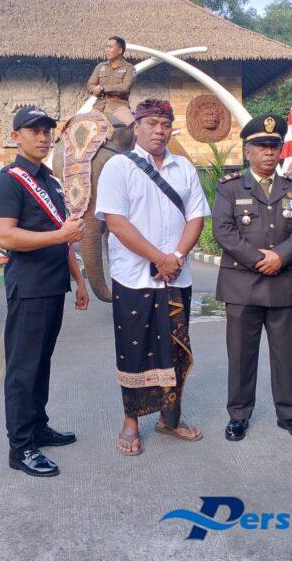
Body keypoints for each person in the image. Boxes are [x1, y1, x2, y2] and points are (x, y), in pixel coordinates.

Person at [95, 98, 210, 456]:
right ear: (137, 127)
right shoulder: (118, 167)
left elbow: (196, 217)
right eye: (152, 123)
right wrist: (160, 258)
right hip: (134, 279)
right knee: (134, 351)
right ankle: (131, 421)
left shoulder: (184, 168)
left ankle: (169, 418)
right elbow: (116, 223)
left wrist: (176, 258)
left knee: (174, 350)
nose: (159, 131)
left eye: (165, 124)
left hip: (176, 277)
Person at [0, 105, 89, 477]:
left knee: (41, 363)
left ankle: (38, 427)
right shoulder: (9, 181)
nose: (43, 137)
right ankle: (21, 447)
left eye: (47, 131)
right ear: (16, 137)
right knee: (23, 368)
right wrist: (61, 236)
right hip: (29, 288)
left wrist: (79, 280)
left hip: (53, 286)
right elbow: (6, 236)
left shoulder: (52, 181)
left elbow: (64, 236)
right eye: (34, 131)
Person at [212, 114, 292, 442]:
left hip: (285, 283)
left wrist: (280, 256)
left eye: (273, 146)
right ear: (247, 151)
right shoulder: (230, 188)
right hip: (242, 284)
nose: (269, 152)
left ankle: (289, 414)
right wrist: (259, 259)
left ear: (280, 151)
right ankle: (238, 415)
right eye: (261, 146)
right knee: (241, 354)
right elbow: (223, 231)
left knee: (286, 354)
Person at [86, 36, 136, 125]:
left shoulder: (129, 68)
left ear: (120, 50)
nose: (107, 50)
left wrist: (103, 88)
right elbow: (90, 85)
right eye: (106, 47)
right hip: (99, 107)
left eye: (110, 47)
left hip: (118, 106)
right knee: (83, 126)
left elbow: (125, 87)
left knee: (133, 126)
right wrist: (94, 89)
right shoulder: (100, 66)